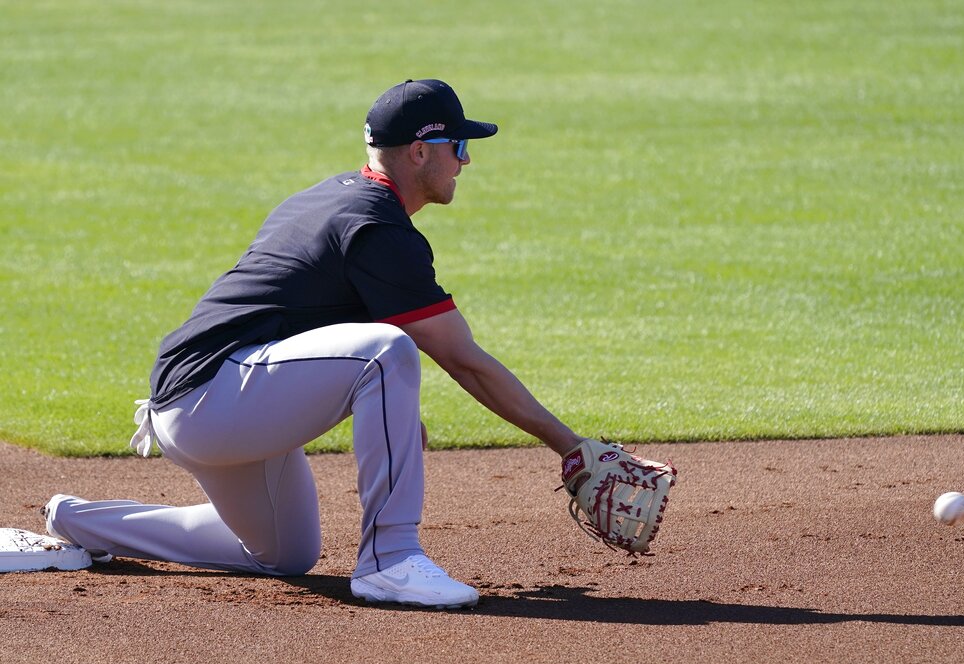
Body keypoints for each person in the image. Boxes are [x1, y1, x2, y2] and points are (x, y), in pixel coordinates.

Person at [43, 79, 584, 609]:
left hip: (209, 401)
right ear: (420, 151)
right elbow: (466, 362)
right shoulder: (379, 229)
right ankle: (390, 560)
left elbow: (295, 312)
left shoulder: (332, 198)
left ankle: (76, 521)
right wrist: (573, 448)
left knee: (283, 552)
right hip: (212, 397)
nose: (466, 160)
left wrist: (388, 409)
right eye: (458, 146)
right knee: (386, 349)